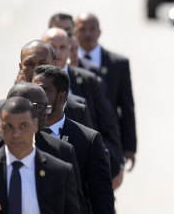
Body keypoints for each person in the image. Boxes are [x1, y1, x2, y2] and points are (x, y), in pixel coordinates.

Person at [0, 97, 97, 214]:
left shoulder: (58, 172)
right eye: (9, 127)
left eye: (23, 126)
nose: (16, 134)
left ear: (35, 125)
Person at [32, 65, 115, 214]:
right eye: (33, 90)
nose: (36, 98)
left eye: (43, 91)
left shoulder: (87, 139)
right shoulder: (23, 136)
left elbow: (101, 193)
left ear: (62, 97)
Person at [42, 27, 123, 180]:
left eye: (62, 47)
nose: (58, 52)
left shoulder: (88, 82)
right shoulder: (28, 84)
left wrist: (116, 164)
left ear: (70, 49)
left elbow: (108, 126)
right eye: (52, 47)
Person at [75, 12, 137, 174]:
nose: (88, 34)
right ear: (75, 33)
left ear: (99, 32)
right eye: (82, 29)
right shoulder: (68, 64)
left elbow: (127, 106)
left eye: (92, 29)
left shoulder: (118, 64)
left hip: (108, 139)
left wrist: (129, 147)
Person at [17, 39, 93, 128]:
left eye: (42, 63)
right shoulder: (3, 109)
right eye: (29, 64)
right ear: (21, 67)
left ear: (54, 65)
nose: (36, 70)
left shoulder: (76, 110)